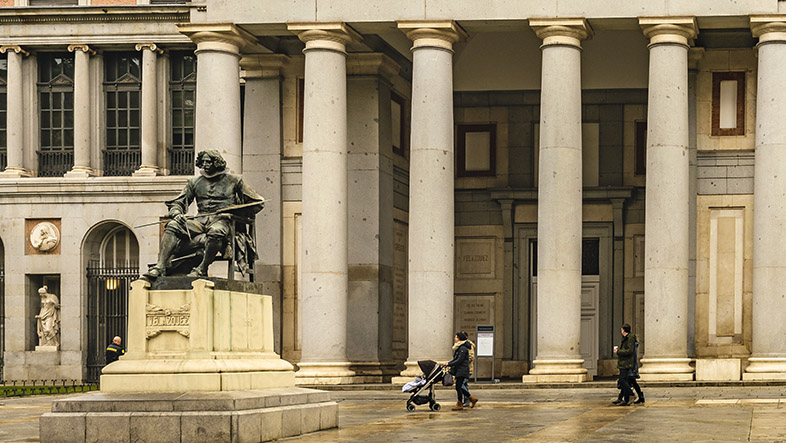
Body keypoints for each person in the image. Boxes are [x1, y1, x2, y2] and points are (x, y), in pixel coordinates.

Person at [143, 150, 265, 279]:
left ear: (216, 163)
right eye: (203, 161)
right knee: (173, 225)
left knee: (216, 232)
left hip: (223, 221)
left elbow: (258, 202)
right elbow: (178, 202)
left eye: (209, 161)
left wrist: (233, 212)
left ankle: (202, 268)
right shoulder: (194, 182)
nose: (205, 164)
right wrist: (177, 212)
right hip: (200, 220)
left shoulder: (234, 181)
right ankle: (160, 267)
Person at [446, 331, 478, 411]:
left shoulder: (463, 348)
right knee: (459, 386)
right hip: (459, 370)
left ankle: (461, 403)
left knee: (459, 386)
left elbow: (459, 360)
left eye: (456, 337)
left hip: (462, 370)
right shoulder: (459, 347)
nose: (455, 338)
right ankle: (471, 398)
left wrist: (449, 363)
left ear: (460, 338)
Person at [613, 324, 642, 406]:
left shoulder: (630, 338)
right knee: (625, 380)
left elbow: (629, 351)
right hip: (624, 362)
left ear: (623, 330)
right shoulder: (627, 338)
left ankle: (631, 394)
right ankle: (626, 399)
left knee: (622, 380)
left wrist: (618, 351)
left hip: (626, 363)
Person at [461, 331, 476, 408]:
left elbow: (471, 357)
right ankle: (466, 400)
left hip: (467, 369)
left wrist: (462, 361)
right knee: (464, 384)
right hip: (463, 369)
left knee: (462, 384)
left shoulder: (468, 345)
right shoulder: (461, 345)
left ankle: (469, 398)